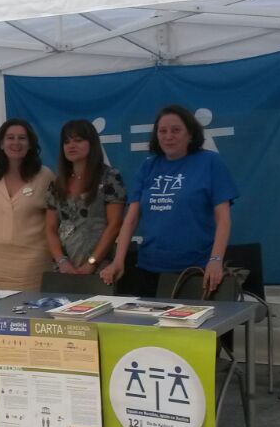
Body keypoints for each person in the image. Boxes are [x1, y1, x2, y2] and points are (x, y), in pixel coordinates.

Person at [100, 104, 238, 297]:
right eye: (162, 131)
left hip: (195, 270)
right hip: (149, 268)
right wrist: (118, 260)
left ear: (190, 134)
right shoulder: (148, 167)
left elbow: (223, 218)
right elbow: (131, 219)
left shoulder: (210, 162)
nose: (168, 136)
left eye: (176, 130)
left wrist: (216, 260)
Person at [0, 118, 54, 291]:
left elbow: (54, 220)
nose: (16, 142)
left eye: (22, 138)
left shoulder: (45, 176)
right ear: (1, 144)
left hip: (33, 263)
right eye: (10, 138)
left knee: (29, 307)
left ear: (30, 144)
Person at [45, 119, 126, 276]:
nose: (71, 145)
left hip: (101, 269)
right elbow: (50, 228)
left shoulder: (109, 177)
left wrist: (92, 262)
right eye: (67, 142)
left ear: (92, 144)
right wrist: (62, 261)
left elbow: (115, 224)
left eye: (78, 140)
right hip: (64, 270)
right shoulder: (58, 183)